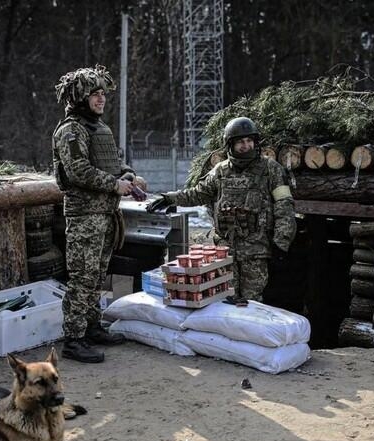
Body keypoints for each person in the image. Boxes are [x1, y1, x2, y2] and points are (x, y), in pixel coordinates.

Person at [147, 117, 296, 302]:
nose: (246, 146)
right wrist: (169, 198)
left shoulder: (271, 169)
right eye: (241, 142)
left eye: (250, 141)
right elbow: (197, 193)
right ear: (230, 145)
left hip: (256, 252)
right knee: (226, 299)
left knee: (252, 303)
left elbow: (285, 207)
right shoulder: (220, 171)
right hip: (225, 252)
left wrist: (281, 243)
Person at [52, 65, 136, 363]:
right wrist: (116, 185)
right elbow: (78, 172)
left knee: (98, 276)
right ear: (79, 97)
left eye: (103, 94)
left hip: (105, 215)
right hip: (85, 217)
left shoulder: (100, 128)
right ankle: (73, 340)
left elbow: (113, 165)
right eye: (94, 94)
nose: (101, 100)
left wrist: (129, 177)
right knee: (82, 279)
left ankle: (91, 327)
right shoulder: (70, 131)